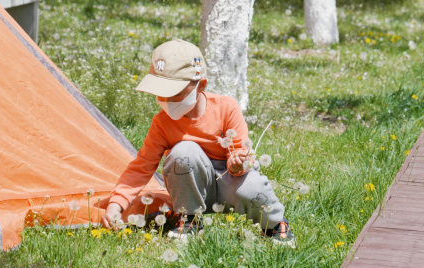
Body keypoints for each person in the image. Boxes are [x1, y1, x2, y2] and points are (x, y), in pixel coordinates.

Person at [101, 39, 294, 245]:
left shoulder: (226, 108)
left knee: (252, 188)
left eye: (173, 93)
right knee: (183, 151)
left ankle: (274, 224)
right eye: (160, 92)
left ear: (200, 85)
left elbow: (240, 153)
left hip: (232, 181)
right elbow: (141, 167)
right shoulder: (162, 123)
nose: (165, 100)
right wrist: (116, 204)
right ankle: (188, 218)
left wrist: (238, 162)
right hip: (190, 188)